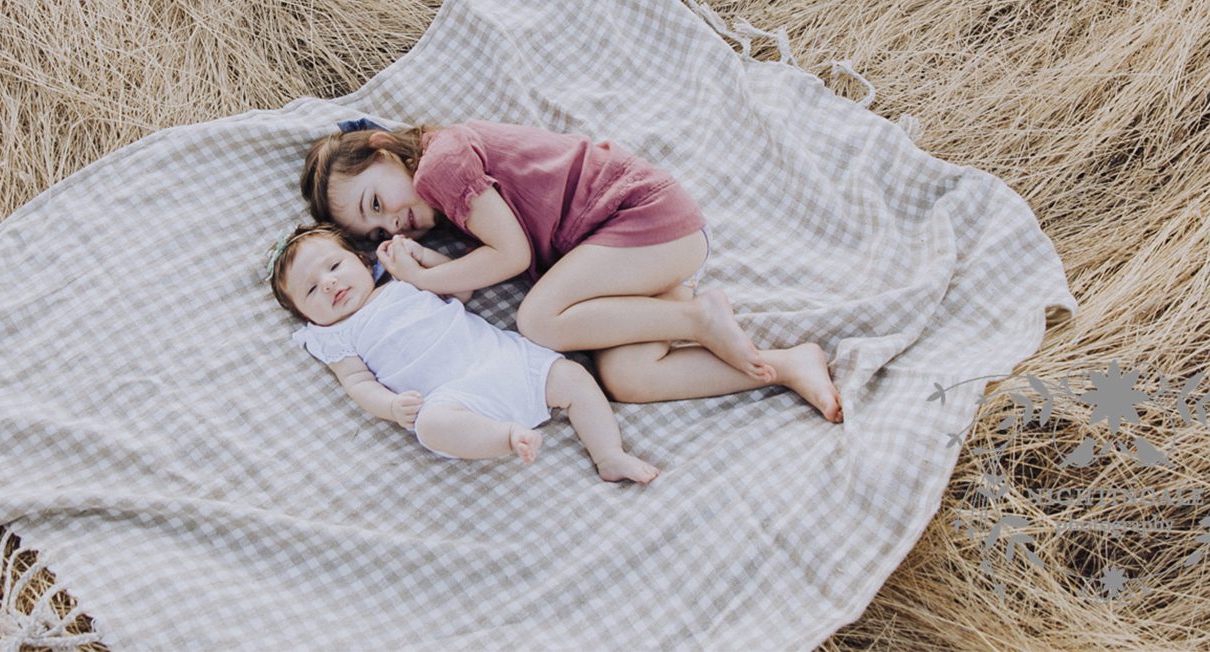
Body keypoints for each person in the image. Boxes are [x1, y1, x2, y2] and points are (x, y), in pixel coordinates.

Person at [299, 119, 842, 423]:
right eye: (377, 232)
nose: (392, 223)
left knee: (538, 320)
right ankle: (788, 365)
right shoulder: (448, 211)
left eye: (377, 202)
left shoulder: (441, 163)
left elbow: (510, 257)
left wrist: (423, 279)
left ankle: (699, 319)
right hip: (634, 261)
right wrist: (430, 266)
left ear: (383, 149)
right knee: (628, 379)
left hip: (642, 217)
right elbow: (484, 266)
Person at [269, 223, 659, 483]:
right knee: (430, 426)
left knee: (572, 377)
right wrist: (390, 407)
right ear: (306, 315)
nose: (329, 283)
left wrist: (422, 258)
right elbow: (357, 383)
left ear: (361, 260)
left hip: (501, 358)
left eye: (334, 266)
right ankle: (505, 437)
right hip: (454, 396)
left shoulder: (403, 281)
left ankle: (609, 454)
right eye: (311, 290)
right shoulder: (335, 336)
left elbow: (461, 289)